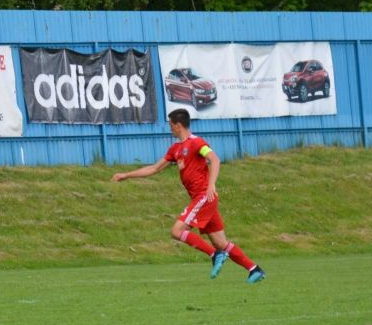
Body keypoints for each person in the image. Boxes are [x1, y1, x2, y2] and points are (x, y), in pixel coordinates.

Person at [111, 108, 265, 283]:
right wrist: (126, 175)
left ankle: (215, 255)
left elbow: (214, 159)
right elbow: (154, 168)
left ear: (178, 125)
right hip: (204, 200)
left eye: (170, 125)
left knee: (176, 231)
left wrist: (211, 184)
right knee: (221, 242)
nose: (169, 129)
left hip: (204, 197)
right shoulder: (176, 149)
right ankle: (254, 269)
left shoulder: (196, 143)